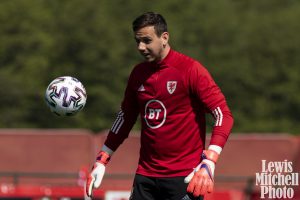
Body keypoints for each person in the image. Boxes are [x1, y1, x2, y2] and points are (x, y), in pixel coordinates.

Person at [86, 12, 234, 200]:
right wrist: (102, 159)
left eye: (147, 40)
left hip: (185, 177)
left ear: (164, 38)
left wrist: (210, 161)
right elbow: (125, 117)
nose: (141, 47)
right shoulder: (138, 74)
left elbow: (224, 115)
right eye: (137, 41)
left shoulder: (190, 70)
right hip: (145, 177)